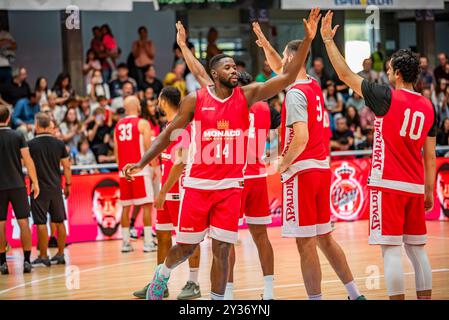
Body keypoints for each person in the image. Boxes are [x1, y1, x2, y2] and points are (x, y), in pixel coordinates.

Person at [123, 10, 319, 301]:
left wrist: (308, 39)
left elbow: (289, 75)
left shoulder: (248, 95)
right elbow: (167, 134)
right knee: (186, 247)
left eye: (235, 67)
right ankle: (162, 275)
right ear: (215, 74)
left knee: (223, 249)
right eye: (228, 68)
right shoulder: (196, 99)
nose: (234, 71)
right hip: (198, 186)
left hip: (230, 187)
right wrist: (140, 162)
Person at [322, 10, 436, 300]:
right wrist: (429, 190)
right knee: (417, 250)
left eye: (387, 69)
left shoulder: (386, 96)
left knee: (391, 251)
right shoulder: (428, 106)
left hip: (388, 185)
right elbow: (430, 156)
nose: (385, 73)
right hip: (414, 186)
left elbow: (345, 75)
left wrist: (327, 40)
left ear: (397, 72)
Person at [254, 16, 363, 301]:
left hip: (301, 172)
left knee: (306, 245)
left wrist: (281, 163)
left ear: (293, 57)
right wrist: (266, 45)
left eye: (285, 56)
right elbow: (282, 68)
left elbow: (299, 138)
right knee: (326, 239)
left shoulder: (294, 95)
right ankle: (355, 294)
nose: (279, 64)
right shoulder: (312, 85)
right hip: (321, 170)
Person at [178, 22, 277, 300]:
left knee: (225, 242)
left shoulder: (232, 102)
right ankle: (268, 291)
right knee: (261, 238)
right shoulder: (264, 106)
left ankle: (227, 293)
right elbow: (278, 137)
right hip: (256, 174)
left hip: (232, 178)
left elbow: (198, 72)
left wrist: (185, 46)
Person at [133, 86, 202, 300]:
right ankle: (159, 284)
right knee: (163, 236)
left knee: (188, 240)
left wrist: (162, 191)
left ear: (163, 101)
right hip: (168, 189)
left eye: (157, 99)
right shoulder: (169, 126)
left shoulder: (183, 127)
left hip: (181, 190)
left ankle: (194, 282)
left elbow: (180, 163)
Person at [0, 104, 39, 275]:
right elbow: (28, 159)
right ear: (8, 118)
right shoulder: (18, 135)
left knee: (0, 224)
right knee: (23, 222)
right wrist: (35, 182)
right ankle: (27, 261)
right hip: (17, 184)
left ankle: (2, 264)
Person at [114, 96, 156, 253]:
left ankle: (125, 243)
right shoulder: (142, 123)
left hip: (124, 172)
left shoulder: (118, 125)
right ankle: (148, 242)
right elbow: (148, 148)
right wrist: (154, 167)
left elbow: (117, 152)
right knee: (146, 206)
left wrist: (122, 171)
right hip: (140, 170)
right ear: (137, 106)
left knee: (126, 207)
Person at [28, 112, 71, 266]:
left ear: (37, 126)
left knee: (40, 223)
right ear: (50, 125)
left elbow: (24, 164)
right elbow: (67, 166)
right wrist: (68, 185)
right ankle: (60, 254)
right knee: (59, 221)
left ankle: (44, 256)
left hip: (38, 188)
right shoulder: (59, 144)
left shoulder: (30, 144)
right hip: (56, 187)